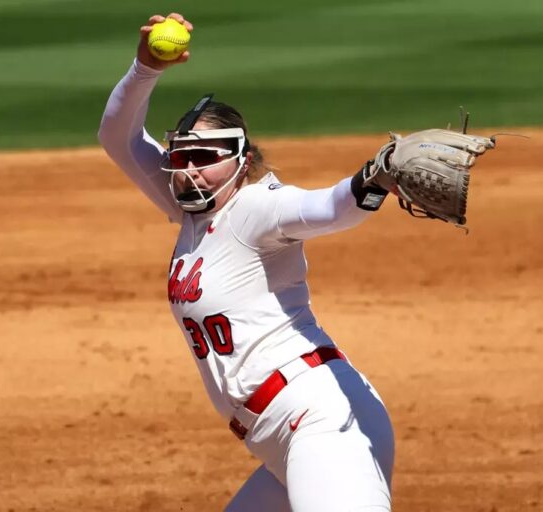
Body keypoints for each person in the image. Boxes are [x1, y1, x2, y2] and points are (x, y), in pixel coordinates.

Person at [98, 13, 397, 512]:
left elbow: (328, 208)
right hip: (278, 439)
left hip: (322, 420)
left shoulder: (255, 208)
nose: (188, 169)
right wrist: (145, 68)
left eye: (204, 157)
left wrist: (374, 177)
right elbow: (118, 137)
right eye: (180, 158)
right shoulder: (187, 212)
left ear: (240, 159)